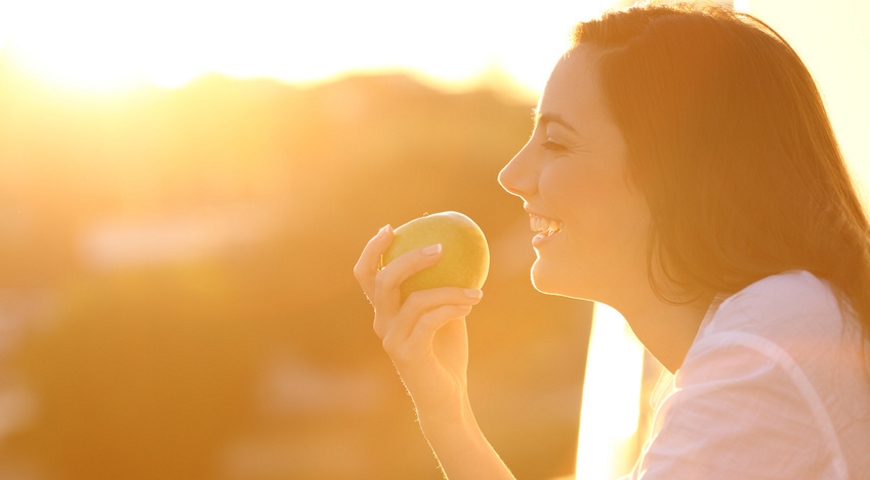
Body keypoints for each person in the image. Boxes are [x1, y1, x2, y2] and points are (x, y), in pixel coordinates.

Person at [354, 3, 870, 479]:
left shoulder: (765, 348)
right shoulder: (767, 333)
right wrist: (448, 413)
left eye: (555, 141)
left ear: (675, 173)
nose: (511, 174)